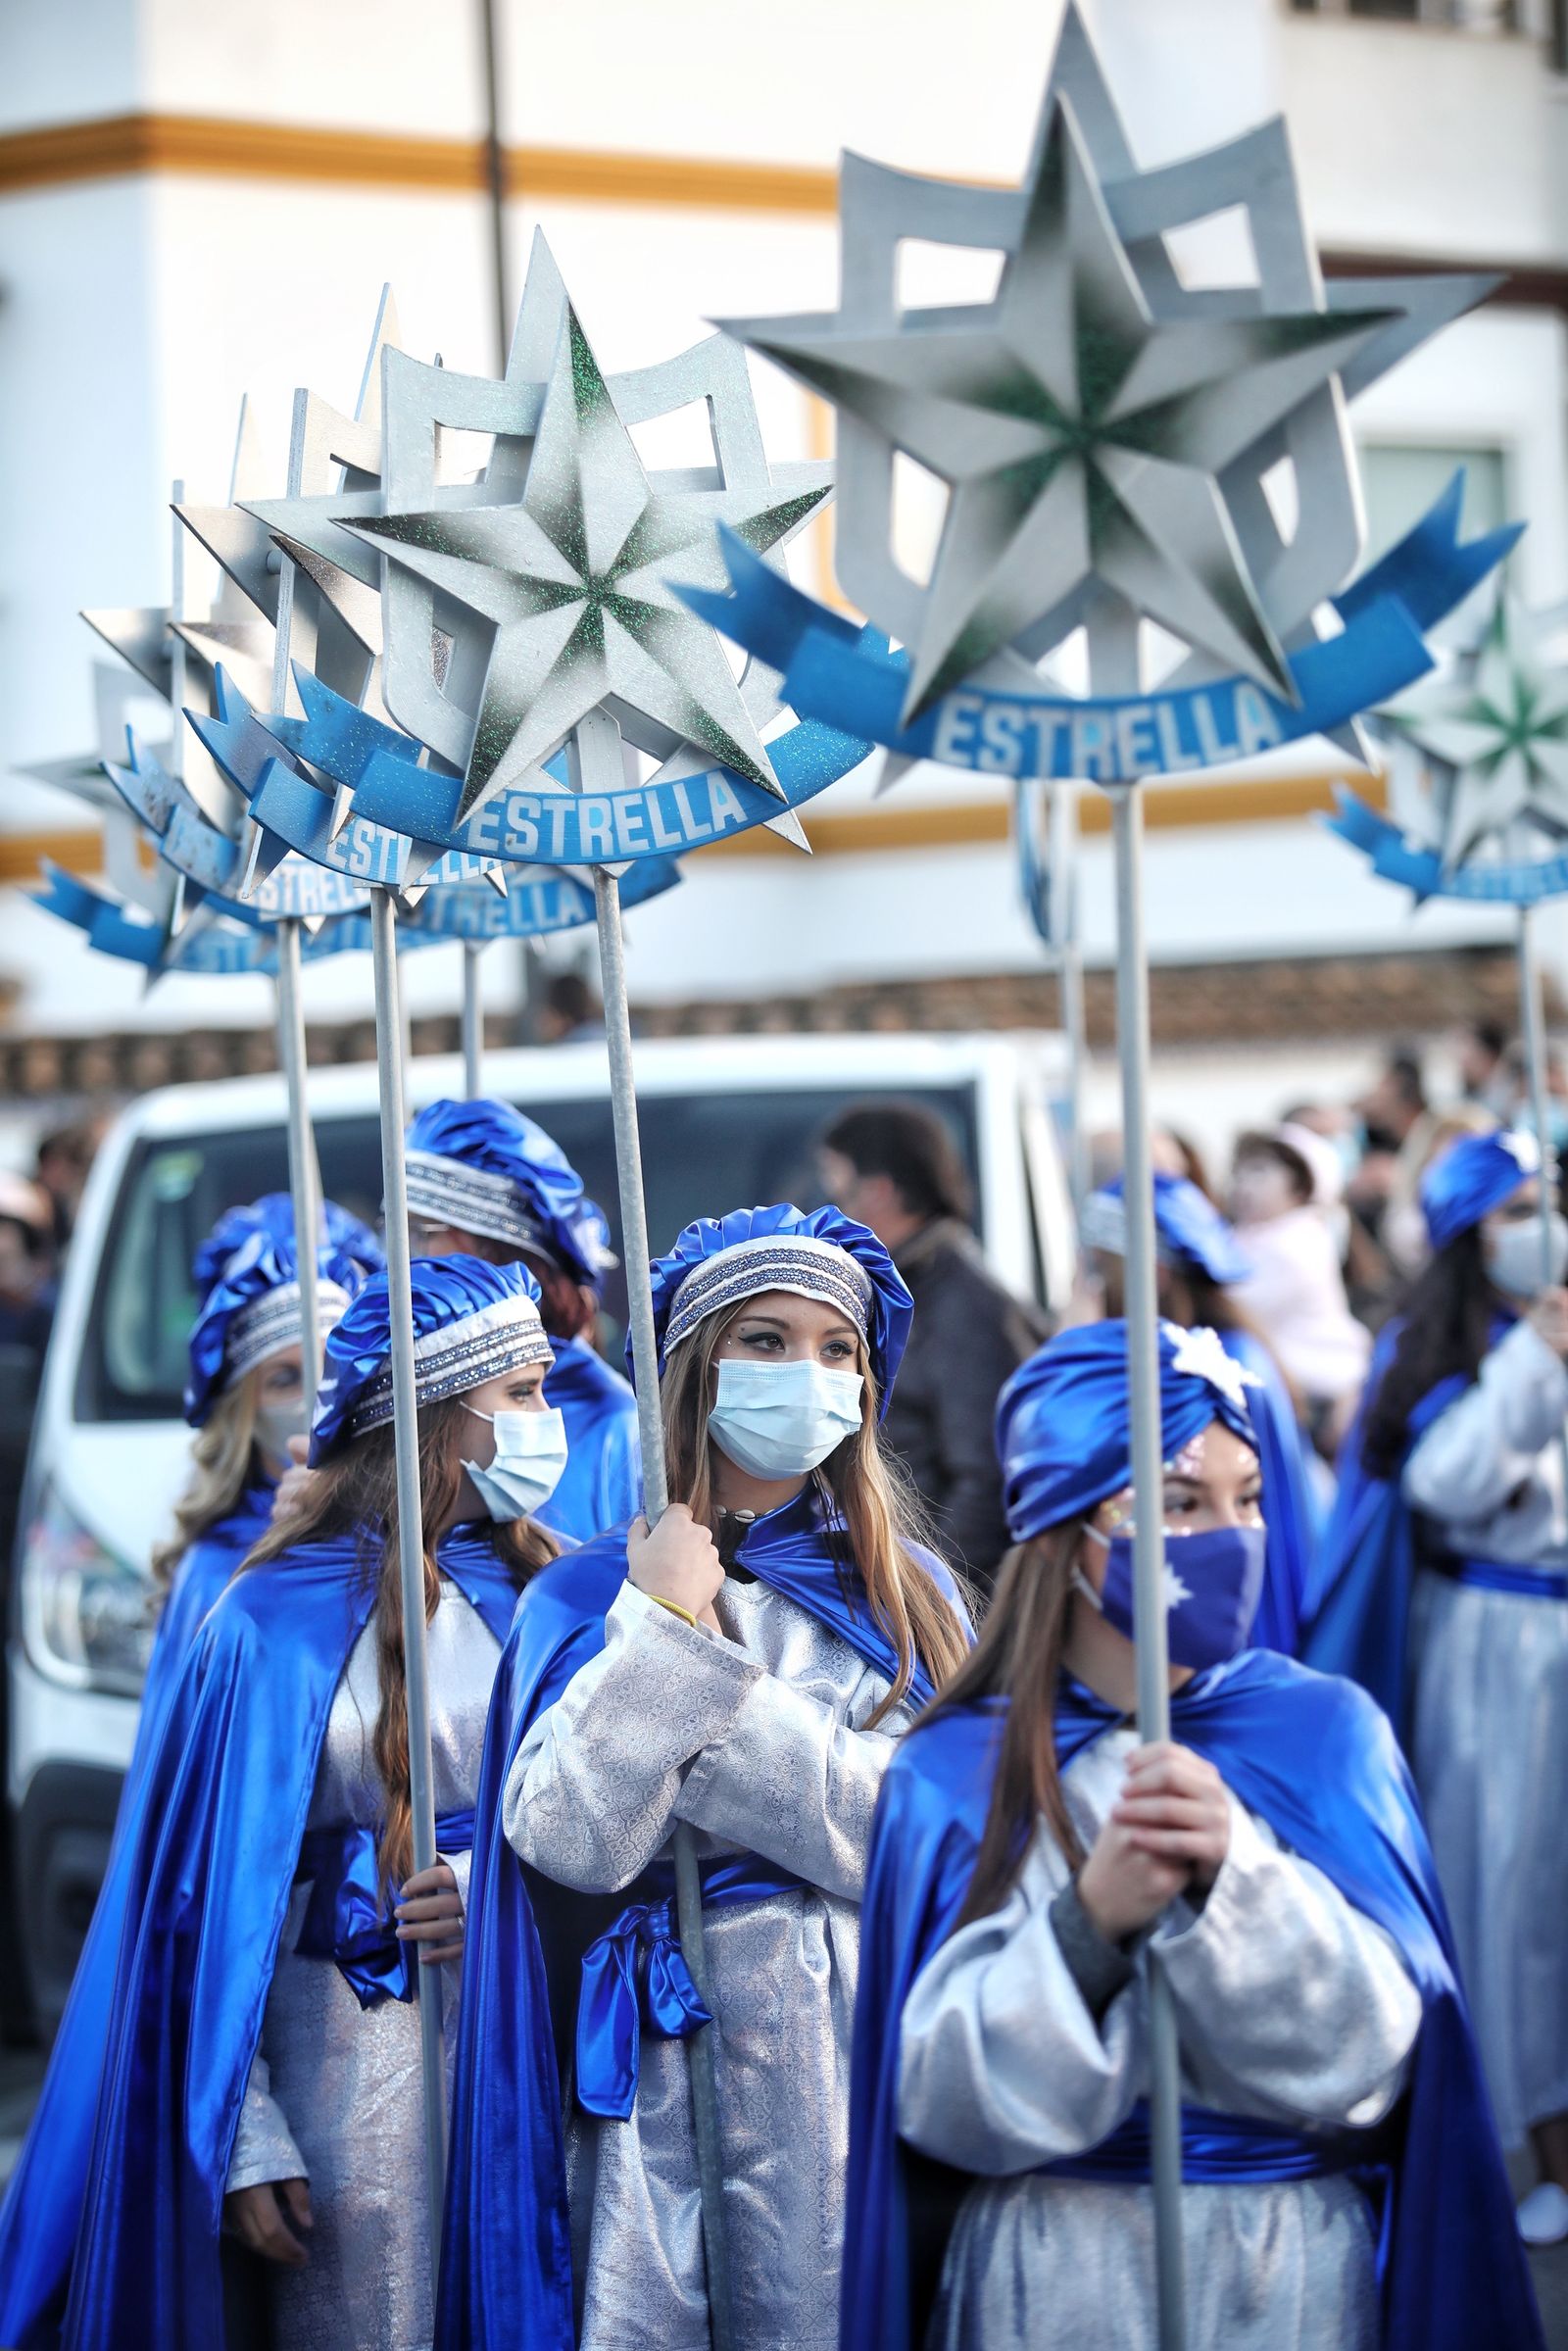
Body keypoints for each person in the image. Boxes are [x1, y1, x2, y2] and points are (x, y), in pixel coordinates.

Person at [844, 1319, 1543, 2351]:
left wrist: (1234, 1881)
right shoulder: (955, 1771)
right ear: (1069, 1528)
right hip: (1057, 2279)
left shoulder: (1323, 1733)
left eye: (1248, 1498)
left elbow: (1383, 2053)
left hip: (1289, 2275)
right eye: (1177, 1501)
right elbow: (938, 2104)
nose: (1230, 1535)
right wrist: (1086, 1932)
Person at [440, 1203, 971, 2351]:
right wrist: (655, 1617)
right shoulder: (588, 1594)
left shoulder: (912, 1592)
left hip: (853, 2047)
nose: (810, 1373)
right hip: (659, 2072)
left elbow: (928, 1835)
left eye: (839, 1349)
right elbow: (573, 1839)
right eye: (767, 1341)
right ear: (694, 1366)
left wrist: (697, 1683)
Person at [54, 1256, 566, 2350]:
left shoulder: (554, 1592)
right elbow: (203, 1904)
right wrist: (241, 2137)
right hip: (346, 2064)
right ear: (435, 1414)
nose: (546, 1421)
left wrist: (510, 1892)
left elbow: (622, 1833)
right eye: (520, 1394)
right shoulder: (267, 1618)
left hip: (536, 2049)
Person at [0, 1197, 373, 2351]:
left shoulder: (439, 1552)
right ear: (234, 1411)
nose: (311, 1401)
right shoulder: (226, 1579)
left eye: (334, 1367)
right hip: (292, 1999)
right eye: (280, 1376)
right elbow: (198, 1864)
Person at [1303, 1128, 1568, 2243]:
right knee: (1508, 1898)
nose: (1540, 1228)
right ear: (1472, 1235)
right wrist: (1535, 1363)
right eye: (1517, 1208)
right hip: (1498, 1643)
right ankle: (1518, 2141)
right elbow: (1445, 1480)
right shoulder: (1444, 1343)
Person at [1076, 1170, 1316, 1651]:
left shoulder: (1212, 1370)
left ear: (1154, 1273)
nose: (1095, 1288)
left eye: (1104, 1269)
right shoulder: (1220, 1354)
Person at [819, 1101, 1048, 1587]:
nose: (830, 1215)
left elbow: (989, 1480)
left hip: (944, 1606)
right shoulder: (908, 1285)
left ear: (879, 1191)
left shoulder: (963, 1303)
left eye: (836, 1192)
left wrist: (921, 1595)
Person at [403, 1097, 640, 1543]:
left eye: (419, 1234)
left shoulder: (613, 1427)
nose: (400, 1259)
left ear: (481, 1253)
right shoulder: (406, 1390)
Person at [1229, 1122, 1370, 1451]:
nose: (1243, 1186)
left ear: (1301, 1188)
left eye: (1260, 1172)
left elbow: (1236, 1305)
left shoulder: (1297, 1243)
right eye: (1240, 1173)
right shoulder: (1252, 1237)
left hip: (1317, 1396)